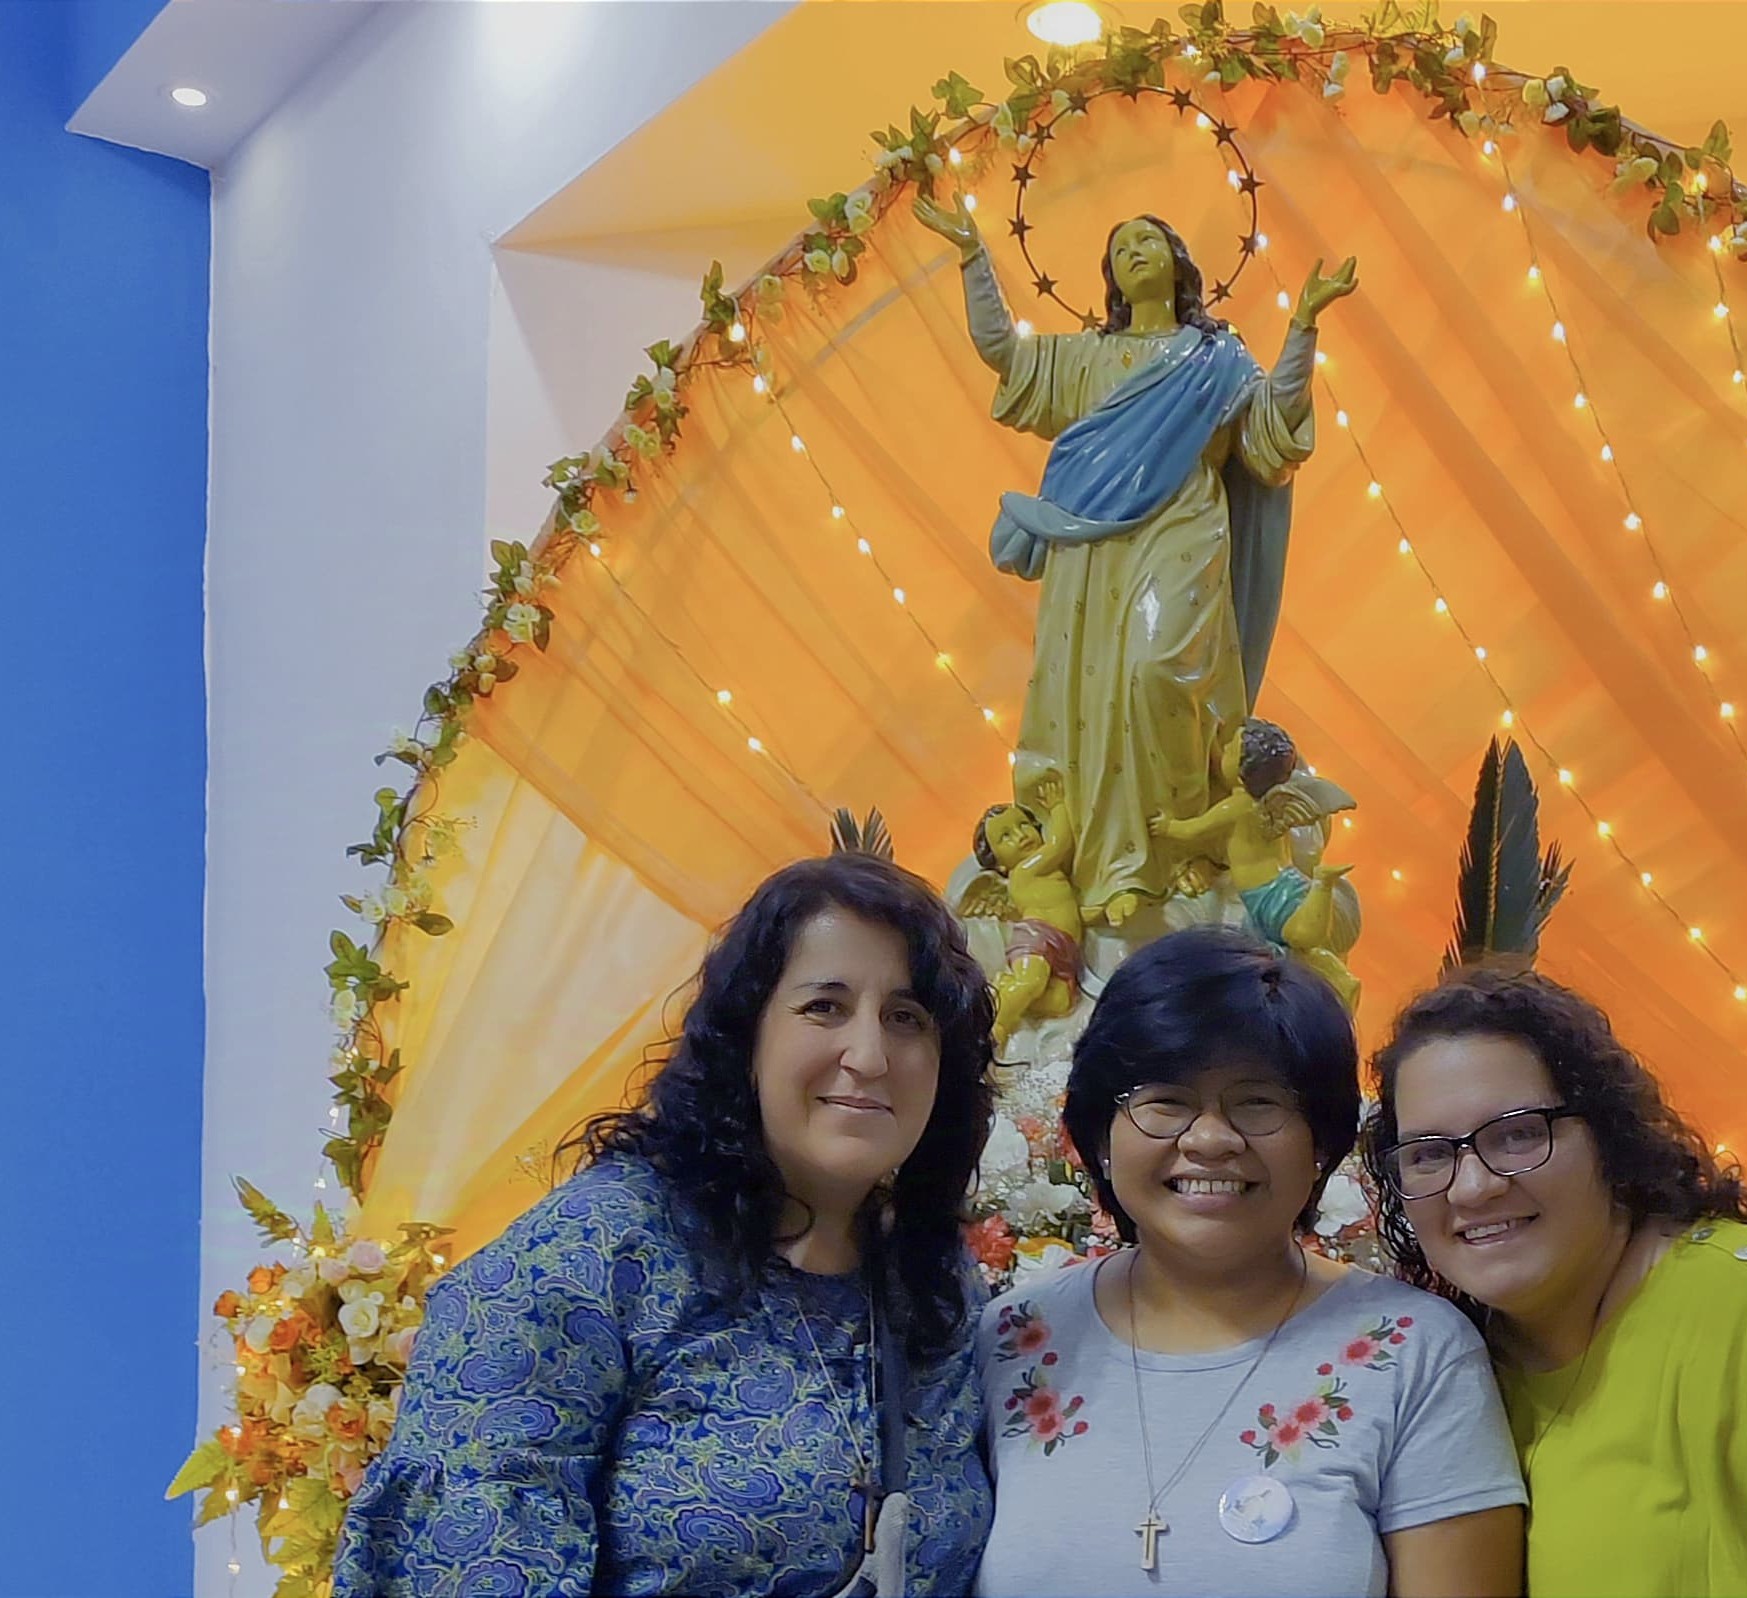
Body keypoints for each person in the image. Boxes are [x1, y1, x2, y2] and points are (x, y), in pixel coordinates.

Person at [334, 852, 998, 1596]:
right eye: (824, 1007)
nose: (869, 1055)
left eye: (906, 1018)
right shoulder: (593, 1254)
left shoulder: (933, 1284)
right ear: (746, 1035)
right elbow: (468, 1553)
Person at [1363, 963, 1747, 1598]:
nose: (1475, 1185)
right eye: (1429, 1153)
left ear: (1607, 1137)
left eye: (1518, 1135)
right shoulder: (1441, 1368)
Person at [974, 926, 1523, 1598]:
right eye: (1165, 1101)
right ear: (1099, 1136)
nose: (1209, 1139)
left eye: (1258, 1102)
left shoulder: (1414, 1355)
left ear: (1321, 1142)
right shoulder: (1009, 1340)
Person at [912, 192, 1355, 922]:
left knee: (1157, 674)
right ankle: (1100, 865)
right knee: (1089, 694)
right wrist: (970, 254)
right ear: (1111, 281)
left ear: (1178, 264)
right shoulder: (1086, 358)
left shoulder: (1217, 358)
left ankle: (1182, 849)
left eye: (1148, 240)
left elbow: (1270, 429)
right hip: (1093, 541)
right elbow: (1002, 352)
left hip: (1184, 527)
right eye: (1120, 249)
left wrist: (1303, 324)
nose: (1133, 252)